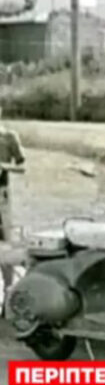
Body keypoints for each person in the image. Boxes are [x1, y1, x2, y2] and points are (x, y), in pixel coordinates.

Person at [0, 107, 25, 305]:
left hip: (2, 196)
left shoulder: (9, 137)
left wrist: (3, 166)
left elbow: (22, 166)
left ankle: (8, 297)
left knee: (6, 244)